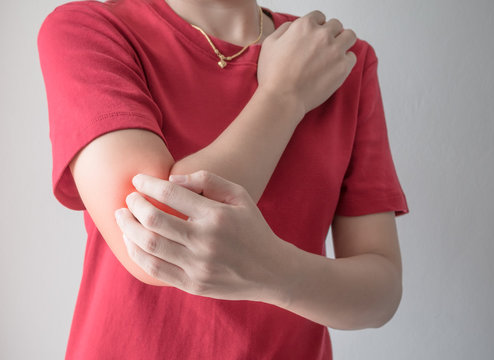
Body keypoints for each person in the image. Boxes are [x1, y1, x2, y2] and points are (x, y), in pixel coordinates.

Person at [37, 0, 409, 358]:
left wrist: (275, 271)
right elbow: (155, 235)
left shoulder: (336, 56)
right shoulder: (90, 29)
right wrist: (283, 97)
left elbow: (381, 293)